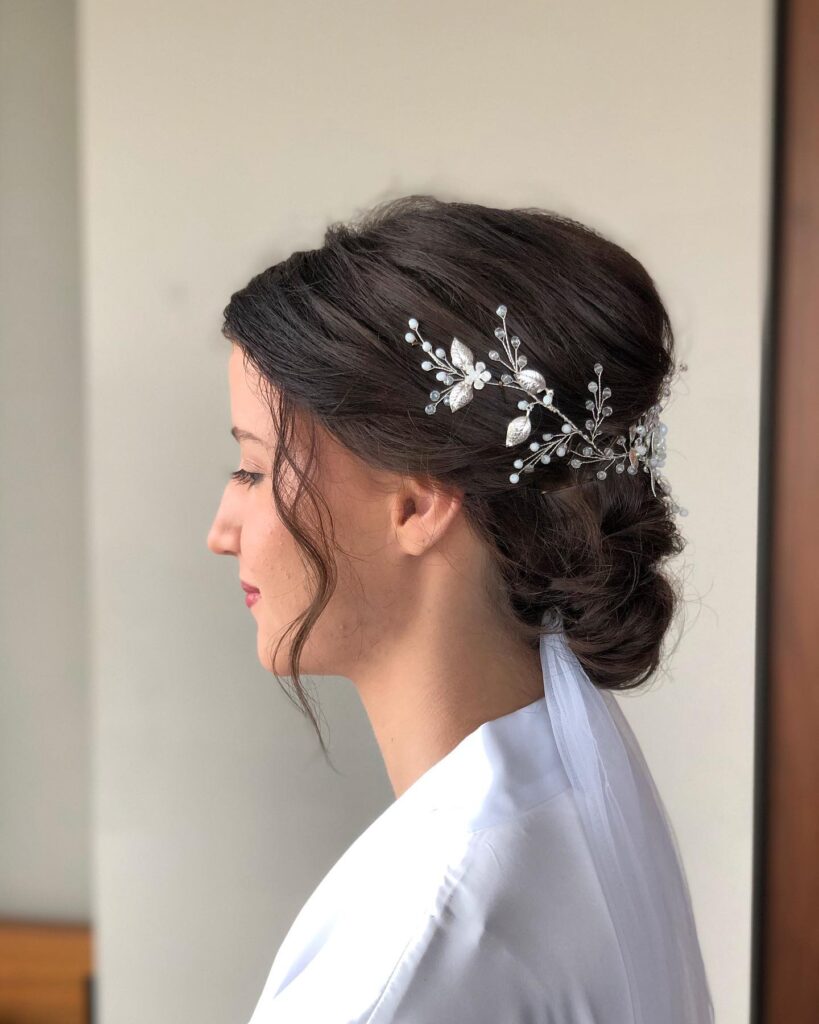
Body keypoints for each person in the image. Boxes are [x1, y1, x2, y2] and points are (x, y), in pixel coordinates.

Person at [206, 194, 715, 1022]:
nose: (222, 531)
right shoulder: (561, 797)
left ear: (414, 505)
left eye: (255, 470)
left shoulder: (416, 961)